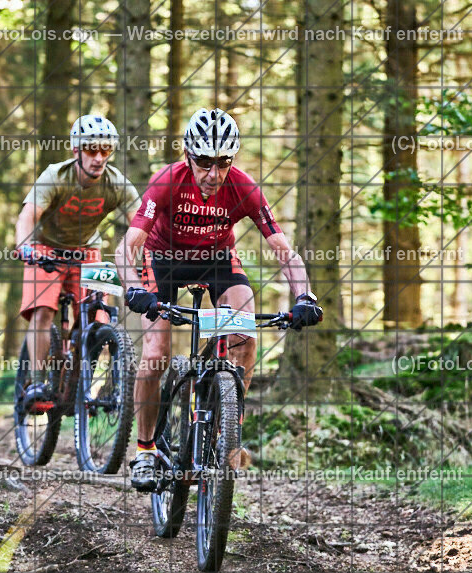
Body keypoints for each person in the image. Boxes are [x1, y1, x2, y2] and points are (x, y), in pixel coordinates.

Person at [114, 108, 322, 492]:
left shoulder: (243, 186)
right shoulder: (167, 181)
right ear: (188, 155)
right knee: (156, 350)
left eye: (223, 162)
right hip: (163, 260)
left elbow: (284, 250)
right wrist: (133, 289)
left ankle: (227, 426)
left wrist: (304, 295)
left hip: (216, 260)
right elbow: (127, 246)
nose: (213, 174)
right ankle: (144, 451)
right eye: (204, 163)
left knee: (245, 335)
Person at [15, 115, 141, 409]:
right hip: (46, 250)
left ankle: (83, 381)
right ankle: (36, 381)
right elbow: (27, 217)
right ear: (76, 151)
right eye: (91, 150)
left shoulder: (116, 183)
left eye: (105, 151)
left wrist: (154, 257)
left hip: (87, 252)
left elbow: (141, 224)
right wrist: (25, 246)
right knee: (43, 312)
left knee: (100, 319)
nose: (99, 158)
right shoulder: (55, 176)